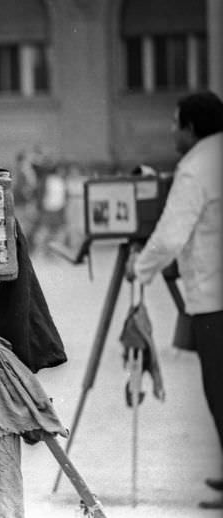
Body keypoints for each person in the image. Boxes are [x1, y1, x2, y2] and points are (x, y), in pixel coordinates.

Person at [131, 91, 223, 510]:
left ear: (190, 128)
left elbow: (170, 234)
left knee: (218, 389)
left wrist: (141, 267)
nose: (170, 130)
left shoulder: (195, 169)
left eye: (174, 123)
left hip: (213, 298)